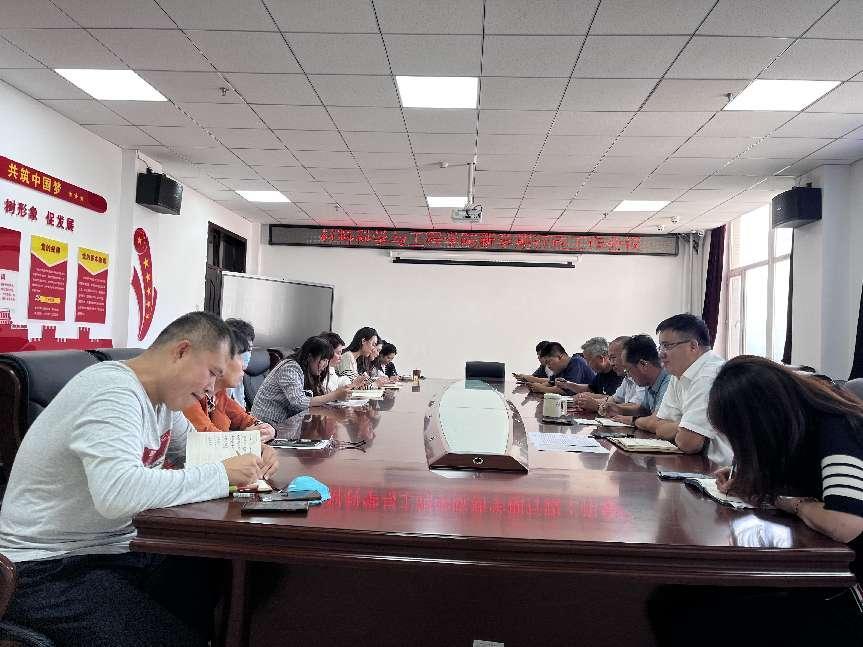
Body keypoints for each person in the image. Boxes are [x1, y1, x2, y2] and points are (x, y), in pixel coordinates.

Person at [0, 311, 278, 647]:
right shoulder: (113, 392)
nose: (211, 389)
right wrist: (223, 474)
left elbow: (200, 452)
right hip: (47, 568)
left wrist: (251, 451)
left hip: (117, 550)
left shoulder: (164, 402)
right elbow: (118, 494)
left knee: (242, 570)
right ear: (182, 351)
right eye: (211, 374)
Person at [651, 356, 863, 646]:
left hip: (849, 587)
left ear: (764, 418)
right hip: (824, 570)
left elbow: (847, 523)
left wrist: (787, 501)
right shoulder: (797, 425)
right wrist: (745, 477)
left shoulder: (835, 423)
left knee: (690, 615)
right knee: (671, 599)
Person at [633, 314, 731, 465]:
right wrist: (683, 427)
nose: (661, 354)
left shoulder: (709, 375)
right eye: (660, 347)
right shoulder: (678, 373)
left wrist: (682, 429)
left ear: (693, 346)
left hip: (720, 470)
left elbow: (689, 442)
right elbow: (658, 425)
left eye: (667, 346)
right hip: (696, 463)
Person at [183, 329, 275, 442]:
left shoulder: (218, 394)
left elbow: (244, 419)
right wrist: (245, 436)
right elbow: (207, 438)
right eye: (240, 357)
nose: (244, 366)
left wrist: (266, 428)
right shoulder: (187, 394)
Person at [252, 335, 353, 424]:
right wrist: (335, 395)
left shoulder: (306, 370)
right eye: (323, 360)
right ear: (310, 357)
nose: (326, 365)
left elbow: (313, 398)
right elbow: (299, 402)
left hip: (285, 423)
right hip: (267, 424)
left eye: (327, 360)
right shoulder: (290, 368)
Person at [607, 334, 671, 428]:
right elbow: (643, 410)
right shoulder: (649, 381)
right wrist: (619, 409)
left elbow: (656, 421)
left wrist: (633, 420)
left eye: (627, 369)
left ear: (643, 364)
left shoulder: (669, 382)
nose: (628, 375)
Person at [558, 337, 623, 399]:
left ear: (601, 358)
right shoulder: (601, 373)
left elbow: (615, 399)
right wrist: (567, 384)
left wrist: (589, 396)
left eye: (588, 360)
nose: (587, 364)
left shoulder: (619, 372)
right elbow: (590, 389)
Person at [528, 342, 595, 395]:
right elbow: (551, 383)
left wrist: (541, 388)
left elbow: (568, 391)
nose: (548, 366)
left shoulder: (576, 362)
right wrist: (535, 387)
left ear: (560, 357)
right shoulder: (560, 368)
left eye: (549, 362)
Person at [224, 318, 255, 410]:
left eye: (250, 350)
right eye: (246, 350)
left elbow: (241, 408)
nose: (249, 355)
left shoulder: (238, 375)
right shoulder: (215, 381)